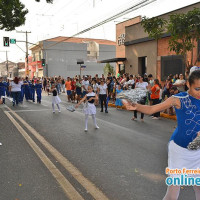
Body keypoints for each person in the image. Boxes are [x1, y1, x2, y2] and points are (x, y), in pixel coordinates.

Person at [123, 69, 200, 200]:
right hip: (180, 151)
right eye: (197, 89)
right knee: (172, 193)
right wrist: (136, 106)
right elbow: (153, 109)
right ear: (188, 85)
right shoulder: (178, 99)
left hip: (197, 151)